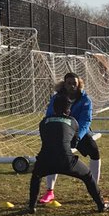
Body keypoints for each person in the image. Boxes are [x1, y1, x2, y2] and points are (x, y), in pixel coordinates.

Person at [27, 93, 109, 213]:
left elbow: (46, 138)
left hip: (45, 159)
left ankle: (32, 206)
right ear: (68, 110)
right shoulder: (73, 122)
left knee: (36, 176)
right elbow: (73, 144)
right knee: (88, 175)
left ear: (53, 108)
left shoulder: (43, 122)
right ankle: (101, 204)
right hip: (66, 160)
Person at [38, 72, 95, 205]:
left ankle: (93, 186)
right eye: (69, 83)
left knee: (94, 151)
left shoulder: (85, 99)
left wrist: (77, 137)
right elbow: (49, 115)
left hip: (78, 133)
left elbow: (86, 120)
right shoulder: (56, 98)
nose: (72, 86)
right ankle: (49, 191)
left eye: (74, 83)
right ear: (64, 84)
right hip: (60, 131)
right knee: (52, 155)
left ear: (79, 84)